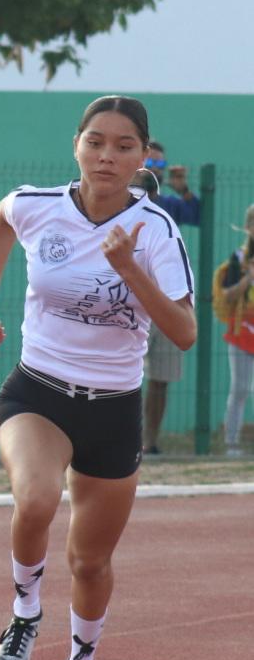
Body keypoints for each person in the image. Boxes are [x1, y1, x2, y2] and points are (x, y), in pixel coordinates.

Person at [0, 95, 196, 660]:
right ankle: (23, 610)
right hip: (37, 392)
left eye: (124, 146)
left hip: (113, 409)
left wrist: (128, 267)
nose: (107, 156)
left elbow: (183, 333)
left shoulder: (155, 231)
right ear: (77, 145)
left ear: (143, 157)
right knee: (37, 498)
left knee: (90, 564)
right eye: (96, 142)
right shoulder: (39, 205)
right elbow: (1, 221)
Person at [139, 139, 200, 454]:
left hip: (169, 299)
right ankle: (124, 439)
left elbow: (199, 214)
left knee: (160, 379)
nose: (156, 171)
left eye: (160, 166)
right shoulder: (124, 200)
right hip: (134, 299)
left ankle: (151, 441)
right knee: (124, 374)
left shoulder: (170, 204)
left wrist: (183, 188)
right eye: (151, 164)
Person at [213, 204, 254, 457]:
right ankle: (231, 442)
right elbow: (225, 295)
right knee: (239, 388)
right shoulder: (237, 260)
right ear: (248, 227)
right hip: (242, 332)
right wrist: (247, 280)